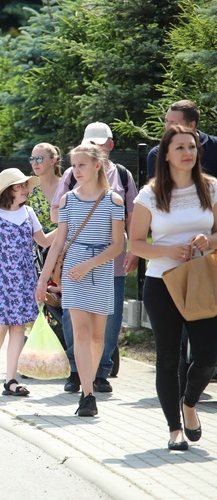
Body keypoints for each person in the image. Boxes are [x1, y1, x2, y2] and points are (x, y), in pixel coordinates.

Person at [130, 125, 217, 450]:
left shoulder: (211, 188)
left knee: (208, 354)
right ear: (166, 155)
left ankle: (189, 403)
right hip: (162, 283)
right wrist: (168, 249)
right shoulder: (149, 194)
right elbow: (136, 244)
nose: (187, 153)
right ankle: (174, 429)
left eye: (192, 147)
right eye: (180, 147)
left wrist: (207, 240)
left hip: (201, 281)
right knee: (168, 358)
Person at [50, 122, 138, 394]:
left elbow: (132, 217)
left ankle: (101, 373)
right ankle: (77, 373)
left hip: (112, 263)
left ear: (110, 145)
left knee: (107, 325)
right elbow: (57, 214)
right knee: (73, 323)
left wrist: (134, 249)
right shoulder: (71, 175)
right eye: (90, 143)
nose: (95, 148)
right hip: (76, 264)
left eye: (100, 143)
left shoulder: (122, 176)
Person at [37, 145, 125, 417]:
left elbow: (117, 246)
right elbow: (58, 243)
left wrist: (89, 265)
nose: (75, 171)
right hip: (74, 272)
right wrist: (42, 281)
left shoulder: (114, 202)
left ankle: (90, 384)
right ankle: (87, 395)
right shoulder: (67, 201)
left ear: (97, 165)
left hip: (99, 271)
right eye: (73, 165)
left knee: (98, 338)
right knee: (81, 335)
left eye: (81, 165)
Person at [0, 169, 52, 398]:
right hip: (1, 278)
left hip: (25, 278)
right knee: (0, 325)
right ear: (7, 191)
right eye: (19, 186)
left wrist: (65, 228)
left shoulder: (28, 213)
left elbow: (42, 241)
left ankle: (11, 380)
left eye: (25, 185)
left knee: (18, 328)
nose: (25, 189)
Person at [147, 100, 217, 179]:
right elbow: (157, 188)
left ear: (191, 125)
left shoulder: (214, 146)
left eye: (174, 123)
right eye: (166, 121)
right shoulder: (158, 153)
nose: (167, 126)